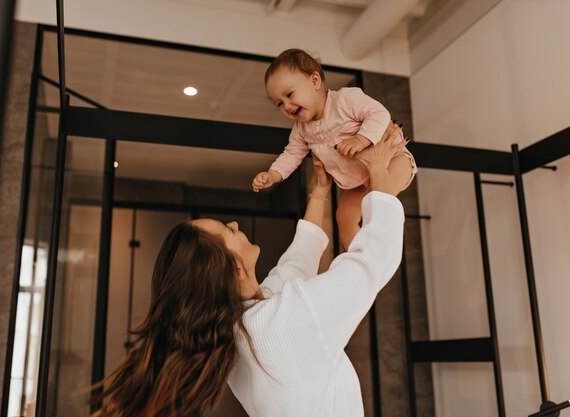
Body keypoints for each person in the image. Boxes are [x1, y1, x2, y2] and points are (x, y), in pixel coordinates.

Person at [91, 123, 407, 417]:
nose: (235, 224)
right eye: (228, 232)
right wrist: (378, 166)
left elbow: (296, 262)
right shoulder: (277, 324)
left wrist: (320, 192)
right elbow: (375, 257)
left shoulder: (244, 325)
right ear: (236, 270)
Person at [252, 48, 417, 250]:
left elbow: (378, 113)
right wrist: (273, 174)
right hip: (357, 182)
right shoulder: (301, 130)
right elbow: (291, 154)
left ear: (314, 81)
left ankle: (381, 251)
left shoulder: (344, 100)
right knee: (343, 217)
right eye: (279, 103)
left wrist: (361, 139)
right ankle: (359, 261)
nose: (286, 105)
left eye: (289, 94)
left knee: (379, 204)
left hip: (393, 161)